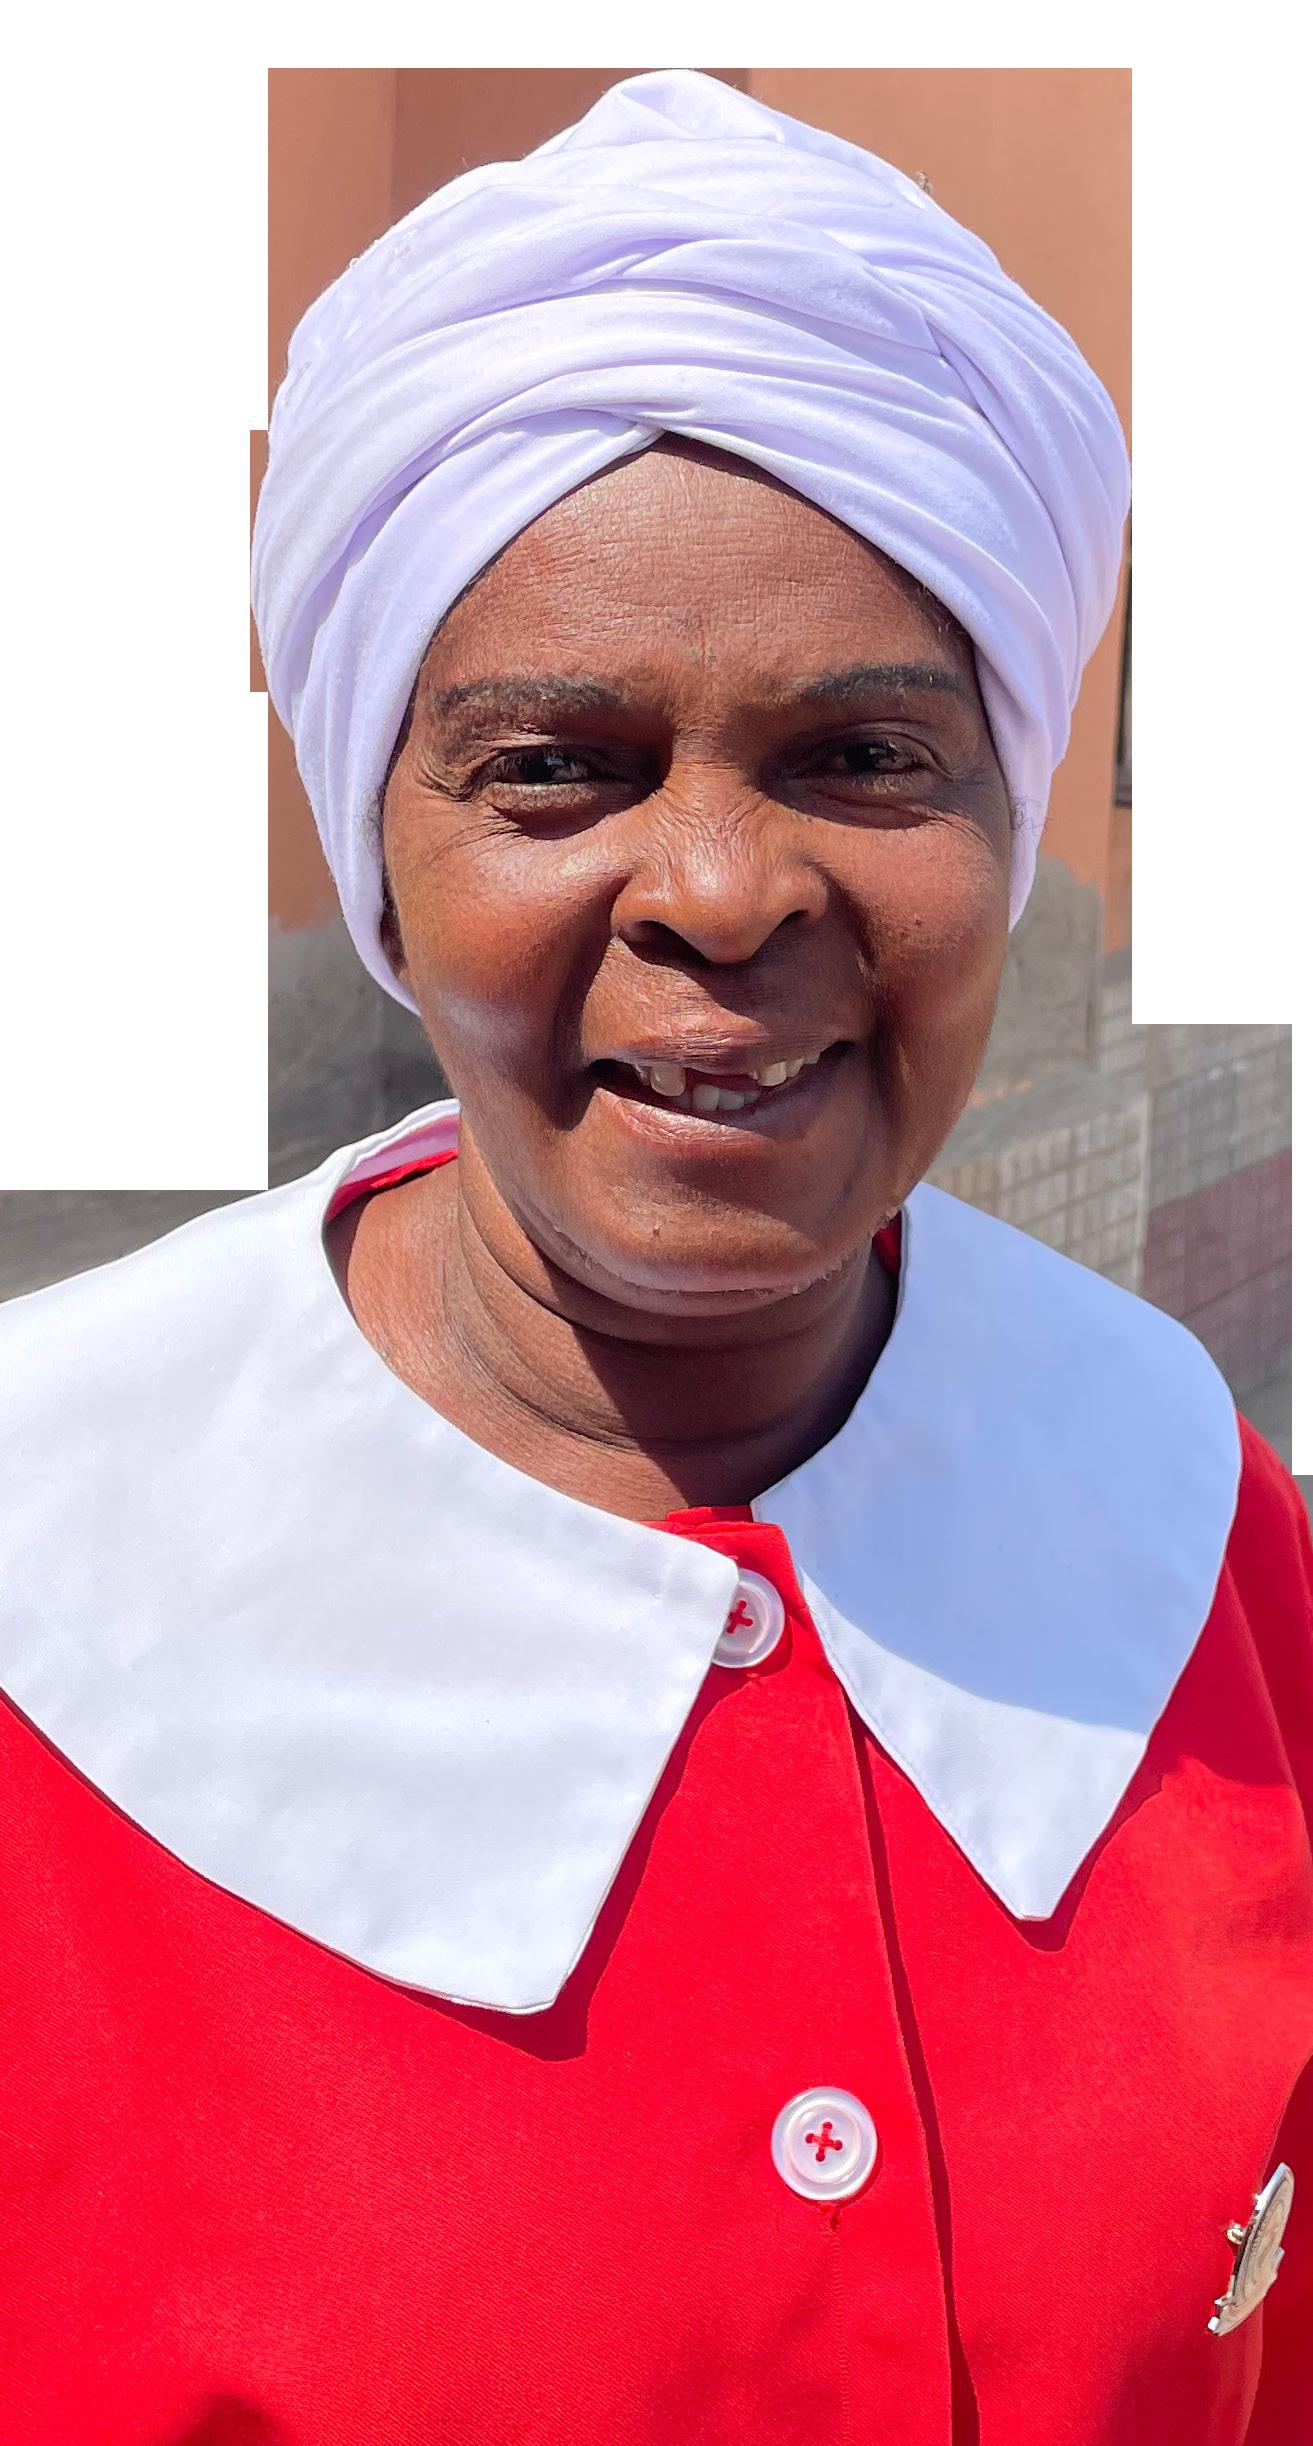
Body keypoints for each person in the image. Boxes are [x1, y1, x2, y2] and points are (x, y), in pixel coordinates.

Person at [0, 69, 1308, 2446]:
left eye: (866, 757)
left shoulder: (1189, 1508)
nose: (719, 889)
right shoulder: (46, 1588)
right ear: (383, 860)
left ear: (1008, 813)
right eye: (554, 765)